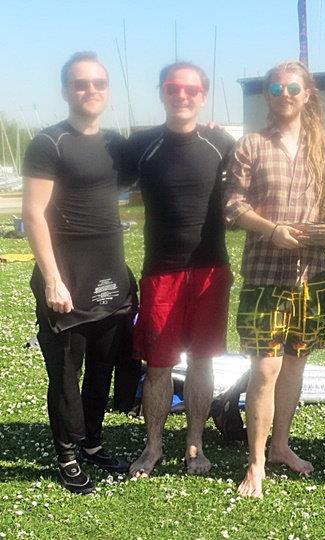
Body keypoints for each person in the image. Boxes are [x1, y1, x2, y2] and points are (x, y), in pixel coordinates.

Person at [225, 60, 325, 498]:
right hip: (264, 275)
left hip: (312, 276)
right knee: (265, 368)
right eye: (275, 87)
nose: (284, 93)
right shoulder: (250, 146)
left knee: (295, 364)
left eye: (292, 87)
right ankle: (256, 463)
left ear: (307, 93)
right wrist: (271, 230)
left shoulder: (323, 148)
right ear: (267, 95)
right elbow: (233, 207)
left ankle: (281, 446)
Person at [22, 51, 136, 494]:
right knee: (66, 373)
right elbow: (33, 215)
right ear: (66, 90)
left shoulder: (114, 143)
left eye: (99, 83)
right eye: (81, 83)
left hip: (110, 274)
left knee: (101, 369)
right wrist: (52, 279)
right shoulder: (49, 143)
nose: (91, 90)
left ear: (107, 90)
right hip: (66, 277)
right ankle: (67, 453)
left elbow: (156, 170)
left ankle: (91, 443)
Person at [122, 62, 236, 477]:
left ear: (203, 95)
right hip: (161, 273)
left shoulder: (221, 141)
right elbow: (97, 179)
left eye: (191, 89)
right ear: (162, 92)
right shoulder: (143, 144)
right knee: (159, 365)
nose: (182, 95)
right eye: (174, 88)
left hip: (210, 271)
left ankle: (195, 446)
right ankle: (153, 448)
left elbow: (259, 177)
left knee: (203, 362)